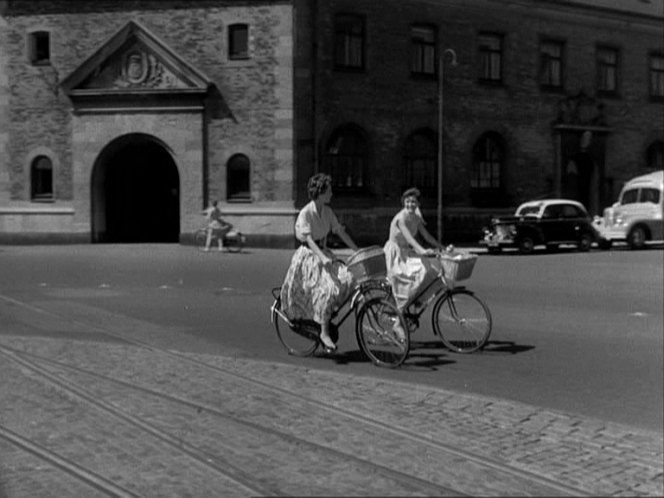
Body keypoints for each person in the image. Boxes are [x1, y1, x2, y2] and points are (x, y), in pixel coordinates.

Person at [280, 173, 359, 351]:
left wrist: (357, 249)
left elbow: (340, 232)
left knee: (349, 279)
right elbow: (309, 240)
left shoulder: (328, 211)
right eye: (329, 190)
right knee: (326, 290)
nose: (331, 194)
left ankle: (327, 314)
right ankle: (324, 332)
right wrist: (322, 258)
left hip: (324, 253)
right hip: (309, 257)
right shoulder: (306, 213)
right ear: (320, 192)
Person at [384, 187, 446, 312]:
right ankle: (400, 309)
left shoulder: (416, 218)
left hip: (406, 251)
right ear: (403, 202)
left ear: (418, 204)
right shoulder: (401, 218)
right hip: (396, 253)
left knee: (429, 271)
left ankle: (419, 300)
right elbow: (410, 239)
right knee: (417, 272)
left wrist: (442, 247)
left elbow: (427, 236)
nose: (410, 204)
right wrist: (422, 251)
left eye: (413, 202)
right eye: (407, 201)